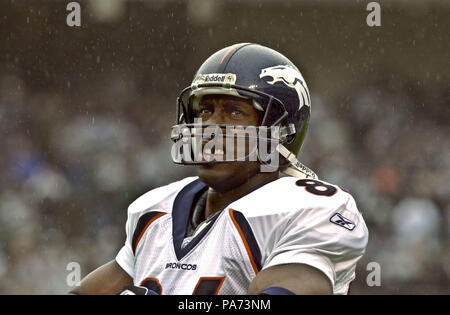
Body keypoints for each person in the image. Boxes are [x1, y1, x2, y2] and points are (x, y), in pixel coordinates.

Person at [69, 43, 368, 295]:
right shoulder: (157, 210)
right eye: (205, 110)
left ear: (281, 130)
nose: (210, 127)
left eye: (234, 112)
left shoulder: (311, 208)